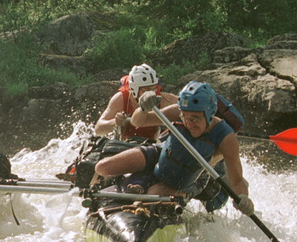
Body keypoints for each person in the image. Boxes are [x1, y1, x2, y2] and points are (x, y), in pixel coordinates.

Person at [94, 81, 255, 216]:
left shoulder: (226, 138)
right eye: (185, 116)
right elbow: (138, 121)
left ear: (209, 114)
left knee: (151, 196)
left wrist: (243, 198)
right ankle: (124, 185)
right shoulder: (178, 111)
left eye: (195, 118)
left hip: (189, 175)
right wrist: (142, 108)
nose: (189, 123)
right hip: (162, 153)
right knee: (102, 167)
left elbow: (237, 180)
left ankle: (141, 191)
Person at [94, 64, 178, 140]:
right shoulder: (121, 98)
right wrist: (114, 122)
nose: (151, 93)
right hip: (124, 146)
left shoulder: (161, 98)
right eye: (147, 90)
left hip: (150, 146)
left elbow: (183, 104)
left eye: (154, 89)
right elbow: (98, 129)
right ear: (134, 89)